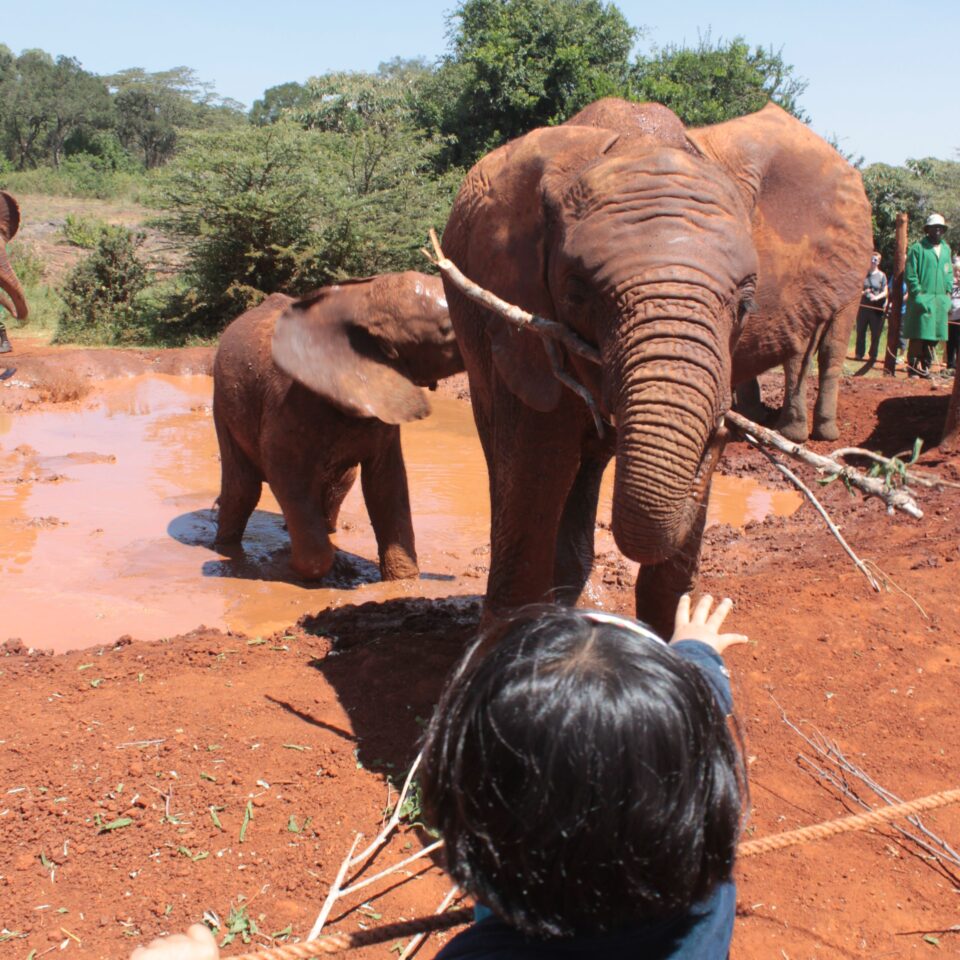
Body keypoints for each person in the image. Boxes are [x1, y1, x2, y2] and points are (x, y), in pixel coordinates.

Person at [129, 595, 748, 960]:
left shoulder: (481, 959)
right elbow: (693, 717)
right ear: (704, 801)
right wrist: (696, 653)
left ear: (470, 818)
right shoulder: (706, 898)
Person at [903, 213, 953, 378]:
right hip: (923, 299)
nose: (938, 230)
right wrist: (918, 294)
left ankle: (926, 367)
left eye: (940, 227)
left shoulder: (946, 249)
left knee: (934, 336)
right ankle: (913, 368)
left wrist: (947, 293)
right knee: (919, 334)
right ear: (928, 229)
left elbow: (949, 273)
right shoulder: (917, 248)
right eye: (934, 227)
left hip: (940, 300)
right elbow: (910, 275)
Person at [854, 252, 888, 361]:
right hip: (863, 307)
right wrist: (864, 292)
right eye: (871, 260)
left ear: (879, 262)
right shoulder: (863, 274)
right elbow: (856, 290)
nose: (873, 263)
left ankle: (873, 355)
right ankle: (859, 353)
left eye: (875, 261)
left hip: (876, 309)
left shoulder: (882, 276)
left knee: (875, 333)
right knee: (860, 331)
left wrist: (877, 298)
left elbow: (885, 291)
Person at [947, 256, 960, 373]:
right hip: (951, 317)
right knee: (950, 341)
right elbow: (947, 297)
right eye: (956, 271)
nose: (958, 273)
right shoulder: (950, 284)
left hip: (959, 316)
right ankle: (950, 364)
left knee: (958, 341)